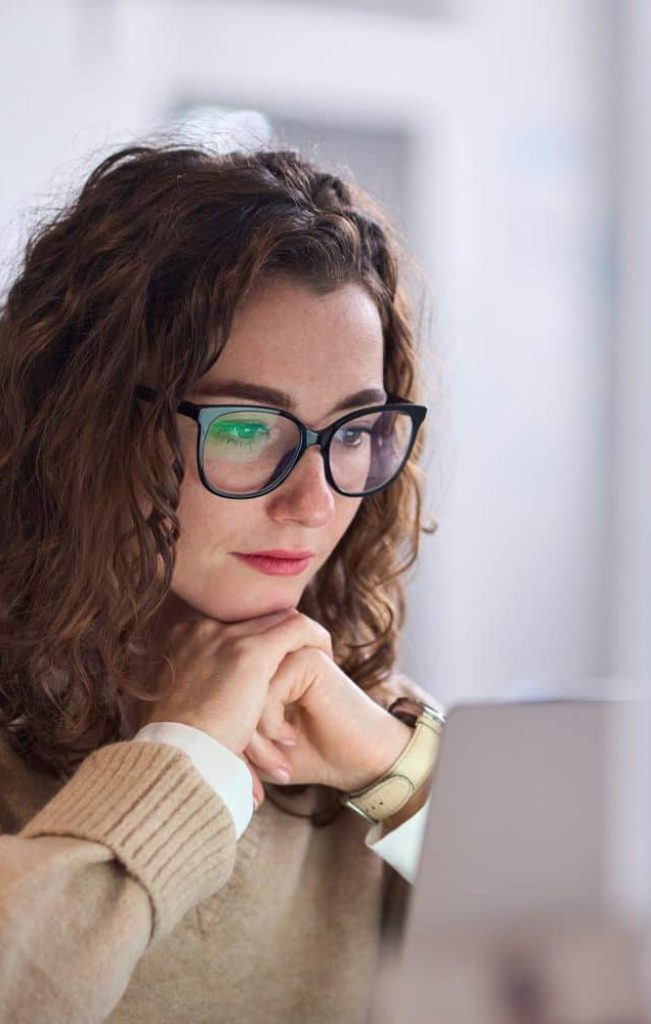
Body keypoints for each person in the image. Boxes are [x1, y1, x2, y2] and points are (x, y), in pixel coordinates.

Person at [0, 141, 443, 1023]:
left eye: (354, 432)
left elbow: (610, 966)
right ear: (86, 428)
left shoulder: (363, 730)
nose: (314, 502)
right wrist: (189, 756)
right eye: (246, 429)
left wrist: (403, 778)